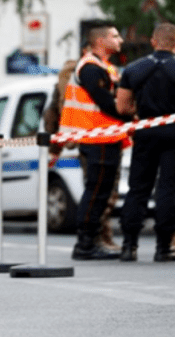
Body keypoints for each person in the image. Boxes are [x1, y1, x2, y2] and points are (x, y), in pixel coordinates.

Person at [116, 23, 175, 262]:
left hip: (145, 131)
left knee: (138, 188)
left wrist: (140, 112)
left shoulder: (133, 69)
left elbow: (122, 106)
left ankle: (129, 245)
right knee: (168, 190)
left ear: (153, 42)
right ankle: (163, 247)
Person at [58, 25, 129, 261]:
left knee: (102, 193)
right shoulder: (90, 67)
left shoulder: (106, 67)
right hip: (95, 137)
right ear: (100, 41)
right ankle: (85, 245)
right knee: (96, 192)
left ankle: (92, 241)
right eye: (115, 36)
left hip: (107, 137)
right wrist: (132, 115)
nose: (120, 40)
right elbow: (107, 103)